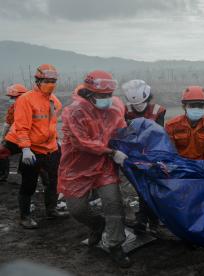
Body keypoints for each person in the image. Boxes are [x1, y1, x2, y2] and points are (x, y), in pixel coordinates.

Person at [58, 70, 132, 268]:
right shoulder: (74, 112)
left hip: (104, 166)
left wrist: (127, 149)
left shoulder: (115, 107)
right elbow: (82, 142)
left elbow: (122, 131)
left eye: (109, 95)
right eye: (101, 96)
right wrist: (111, 152)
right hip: (77, 165)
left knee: (113, 202)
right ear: (89, 94)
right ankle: (96, 224)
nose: (106, 99)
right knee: (77, 209)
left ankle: (116, 244)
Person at [2, 64, 67, 229]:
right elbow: (21, 127)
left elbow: (51, 125)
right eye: (47, 80)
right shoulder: (26, 100)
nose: (51, 83)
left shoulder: (55, 102)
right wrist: (25, 149)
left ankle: (51, 210)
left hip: (51, 149)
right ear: (38, 81)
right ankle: (24, 217)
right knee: (29, 184)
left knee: (53, 181)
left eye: (53, 81)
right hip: (32, 150)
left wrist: (56, 140)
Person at [122, 79, 164, 234]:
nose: (139, 106)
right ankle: (143, 220)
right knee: (140, 188)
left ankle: (151, 220)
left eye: (142, 102)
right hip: (131, 155)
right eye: (135, 104)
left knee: (151, 188)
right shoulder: (124, 110)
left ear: (148, 97)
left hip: (152, 155)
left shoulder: (158, 111)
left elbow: (159, 135)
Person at [165, 86, 204, 160]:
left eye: (200, 106)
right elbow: (169, 150)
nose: (196, 108)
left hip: (202, 165)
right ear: (184, 107)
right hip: (179, 165)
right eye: (192, 105)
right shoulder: (171, 126)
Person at [0, 84, 28, 182]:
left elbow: (7, 125)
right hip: (18, 138)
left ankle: (3, 175)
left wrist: (3, 138)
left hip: (25, 138)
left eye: (13, 97)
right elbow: (7, 124)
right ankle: (4, 174)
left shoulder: (26, 107)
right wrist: (3, 138)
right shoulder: (13, 107)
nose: (11, 99)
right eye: (11, 97)